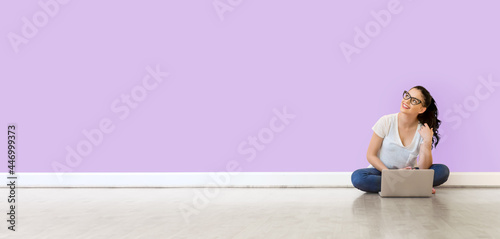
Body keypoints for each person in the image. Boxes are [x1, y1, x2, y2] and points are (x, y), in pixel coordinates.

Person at [351, 86, 449, 194]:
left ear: (422, 109)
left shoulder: (422, 130)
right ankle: (412, 186)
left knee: (442, 171)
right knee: (358, 177)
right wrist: (391, 174)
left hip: (408, 174)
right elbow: (370, 155)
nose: (406, 101)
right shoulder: (386, 121)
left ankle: (401, 185)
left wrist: (427, 141)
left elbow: (423, 168)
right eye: (407, 96)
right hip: (382, 171)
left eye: (414, 100)